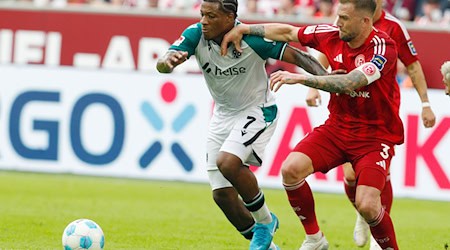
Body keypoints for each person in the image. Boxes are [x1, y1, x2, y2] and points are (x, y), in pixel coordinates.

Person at [221, 0, 402, 249]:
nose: (337, 23)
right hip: (337, 128)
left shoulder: (383, 47)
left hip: (374, 136)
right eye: (338, 16)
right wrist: (246, 29)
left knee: (368, 205)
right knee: (290, 170)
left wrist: (304, 78)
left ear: (365, 22)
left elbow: (350, 82)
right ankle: (315, 239)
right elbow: (288, 32)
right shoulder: (331, 33)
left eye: (345, 18)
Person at [156, 0, 328, 249]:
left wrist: (330, 82)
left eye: (211, 16)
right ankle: (268, 246)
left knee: (228, 162)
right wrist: (168, 62)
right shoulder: (195, 35)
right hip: (223, 115)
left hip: (257, 110)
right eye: (202, 14)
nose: (204, 21)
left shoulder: (252, 40)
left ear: (230, 18)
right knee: (222, 195)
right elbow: (163, 63)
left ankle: (266, 221)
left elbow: (299, 56)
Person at [304, 0, 437, 248]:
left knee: (379, 174)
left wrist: (426, 103)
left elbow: (413, 65)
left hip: (380, 114)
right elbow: (326, 46)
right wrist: (315, 82)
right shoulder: (346, 19)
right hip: (348, 108)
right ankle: (362, 215)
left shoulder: (394, 27)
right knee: (351, 175)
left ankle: (378, 228)